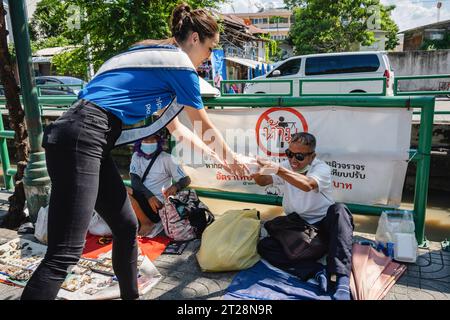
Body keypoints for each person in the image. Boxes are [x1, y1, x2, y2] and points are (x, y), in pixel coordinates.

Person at [21, 3, 247, 300]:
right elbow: (203, 126)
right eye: (209, 48)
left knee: (127, 226)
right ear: (194, 38)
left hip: (84, 137)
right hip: (83, 137)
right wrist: (235, 160)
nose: (208, 58)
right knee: (64, 252)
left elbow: (179, 130)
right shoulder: (179, 64)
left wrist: (221, 159)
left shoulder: (157, 58)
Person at [251, 132, 354, 300]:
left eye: (299, 156)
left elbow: (307, 185)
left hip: (323, 228)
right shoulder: (286, 166)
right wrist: (253, 170)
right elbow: (263, 181)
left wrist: (279, 169)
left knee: (340, 211)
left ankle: (342, 279)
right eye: (290, 153)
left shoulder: (321, 169)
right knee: (265, 246)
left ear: (312, 156)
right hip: (299, 229)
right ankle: (314, 269)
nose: (293, 160)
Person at [128, 134, 191, 237]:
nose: (149, 143)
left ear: (158, 142)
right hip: (145, 197)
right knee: (121, 190)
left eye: (152, 140)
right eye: (145, 140)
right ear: (140, 142)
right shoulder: (136, 156)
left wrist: (175, 187)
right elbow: (135, 181)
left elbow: (186, 179)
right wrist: (149, 196)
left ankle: (147, 224)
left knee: (126, 196)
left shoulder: (168, 159)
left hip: (158, 204)